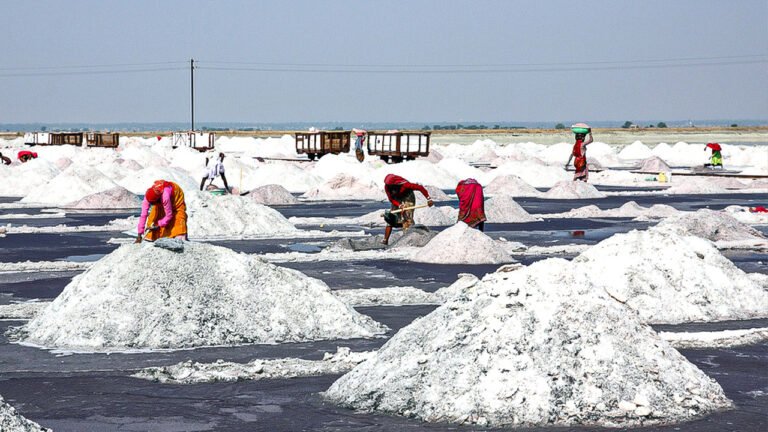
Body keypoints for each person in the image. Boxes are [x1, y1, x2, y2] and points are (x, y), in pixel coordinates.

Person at [382, 174, 433, 245]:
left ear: (396, 184)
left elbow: (420, 187)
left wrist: (428, 198)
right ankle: (385, 240)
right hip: (396, 198)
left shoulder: (406, 185)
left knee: (407, 218)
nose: (389, 187)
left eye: (391, 186)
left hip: (408, 196)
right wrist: (399, 205)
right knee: (391, 218)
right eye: (388, 185)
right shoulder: (387, 187)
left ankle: (408, 239)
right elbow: (391, 199)